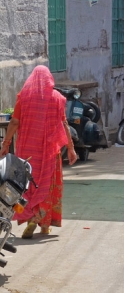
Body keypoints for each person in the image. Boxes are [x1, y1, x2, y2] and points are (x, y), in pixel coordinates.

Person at [0, 65, 77, 238]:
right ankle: (42, 223)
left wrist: (5, 144)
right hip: (50, 152)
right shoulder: (57, 98)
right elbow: (64, 124)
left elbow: (14, 122)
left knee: (27, 186)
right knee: (47, 185)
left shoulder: (24, 97)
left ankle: (31, 220)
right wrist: (71, 148)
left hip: (27, 151)